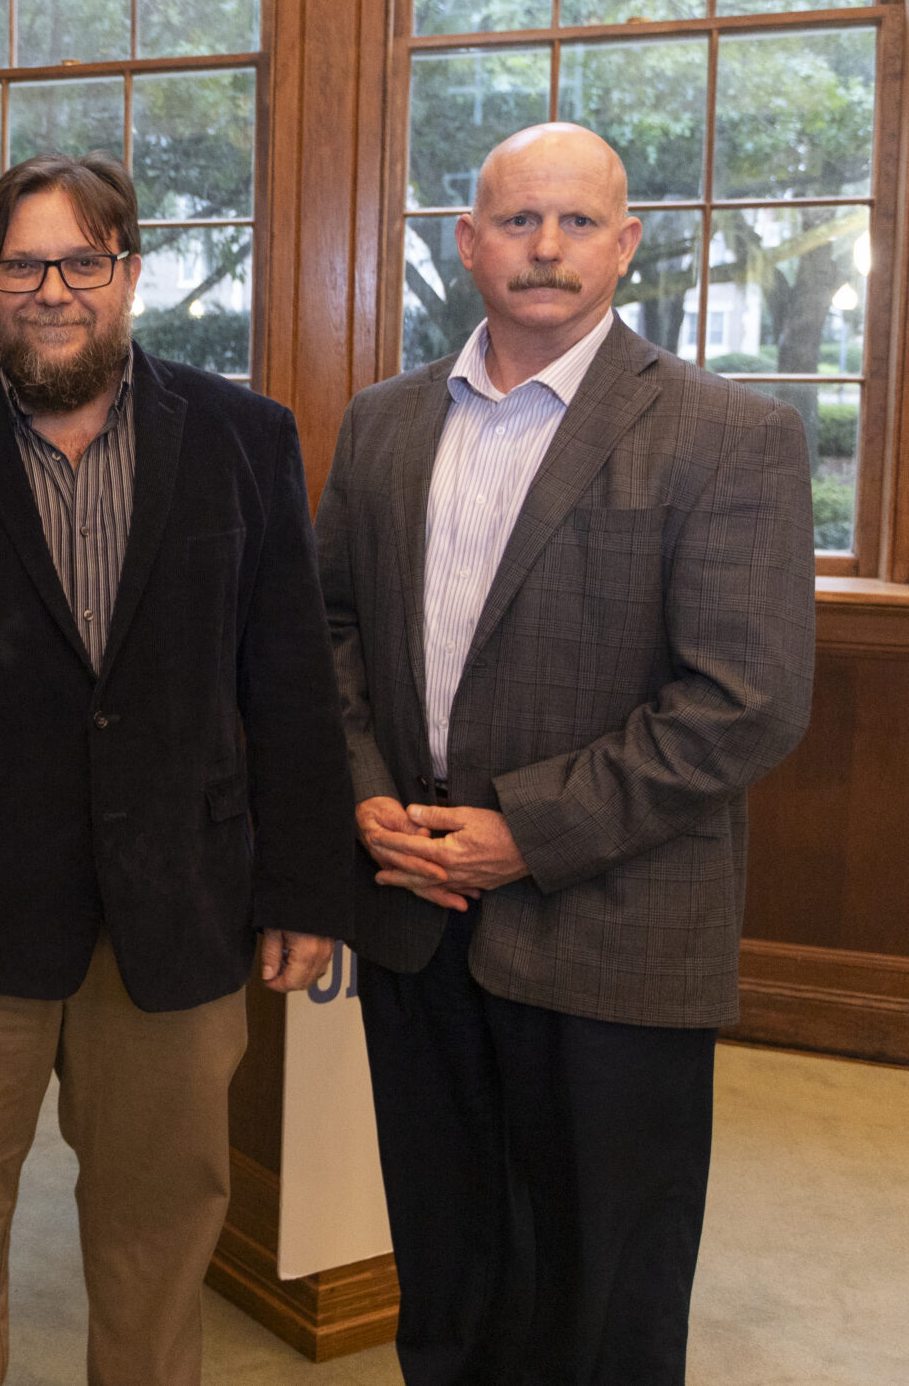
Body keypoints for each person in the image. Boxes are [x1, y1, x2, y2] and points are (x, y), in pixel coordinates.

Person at [0, 153, 354, 1386]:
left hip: (179, 905)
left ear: (129, 272)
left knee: (160, 1225)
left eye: (81, 262)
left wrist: (304, 889)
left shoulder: (244, 438)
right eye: (22, 265)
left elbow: (288, 681)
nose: (51, 290)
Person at [318, 122, 816, 1384]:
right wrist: (366, 797)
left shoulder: (727, 434)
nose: (545, 248)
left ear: (625, 243)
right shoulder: (381, 424)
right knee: (447, 1269)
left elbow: (744, 700)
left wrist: (523, 834)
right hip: (416, 917)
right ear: (465, 242)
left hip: (614, 929)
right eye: (517, 220)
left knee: (602, 1297)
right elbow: (329, 634)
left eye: (578, 221)